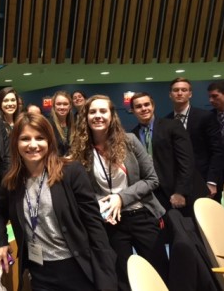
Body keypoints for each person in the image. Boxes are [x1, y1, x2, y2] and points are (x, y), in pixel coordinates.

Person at [0, 112, 117, 291]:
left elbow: (94, 225)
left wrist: (107, 276)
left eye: (40, 138)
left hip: (77, 267)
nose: (33, 145)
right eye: (25, 138)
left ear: (49, 141)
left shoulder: (71, 172)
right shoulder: (12, 180)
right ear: (16, 143)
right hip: (39, 271)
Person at [70, 95, 169, 291]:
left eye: (103, 111)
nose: (98, 116)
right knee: (121, 279)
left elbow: (152, 179)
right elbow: (84, 191)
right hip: (110, 222)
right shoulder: (81, 151)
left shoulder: (129, 141)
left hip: (142, 215)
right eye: (92, 112)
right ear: (86, 117)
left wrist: (121, 198)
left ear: (111, 115)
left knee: (158, 274)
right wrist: (100, 204)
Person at [130, 92, 201, 216]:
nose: (144, 109)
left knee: (187, 232)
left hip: (179, 192)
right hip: (155, 195)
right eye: (138, 106)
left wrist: (181, 192)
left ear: (153, 106)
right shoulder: (132, 135)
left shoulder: (172, 126)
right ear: (133, 110)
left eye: (147, 104)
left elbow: (186, 161)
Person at [166, 77, 222, 199]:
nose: (180, 93)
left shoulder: (206, 117)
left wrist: (212, 181)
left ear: (190, 94)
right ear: (170, 95)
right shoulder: (166, 121)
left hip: (204, 179)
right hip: (178, 184)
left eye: (184, 90)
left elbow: (217, 151)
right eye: (176, 90)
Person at [49, 91, 75, 156]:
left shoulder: (74, 124)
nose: (62, 107)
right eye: (58, 104)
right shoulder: (48, 124)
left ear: (70, 106)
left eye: (65, 104)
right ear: (54, 106)